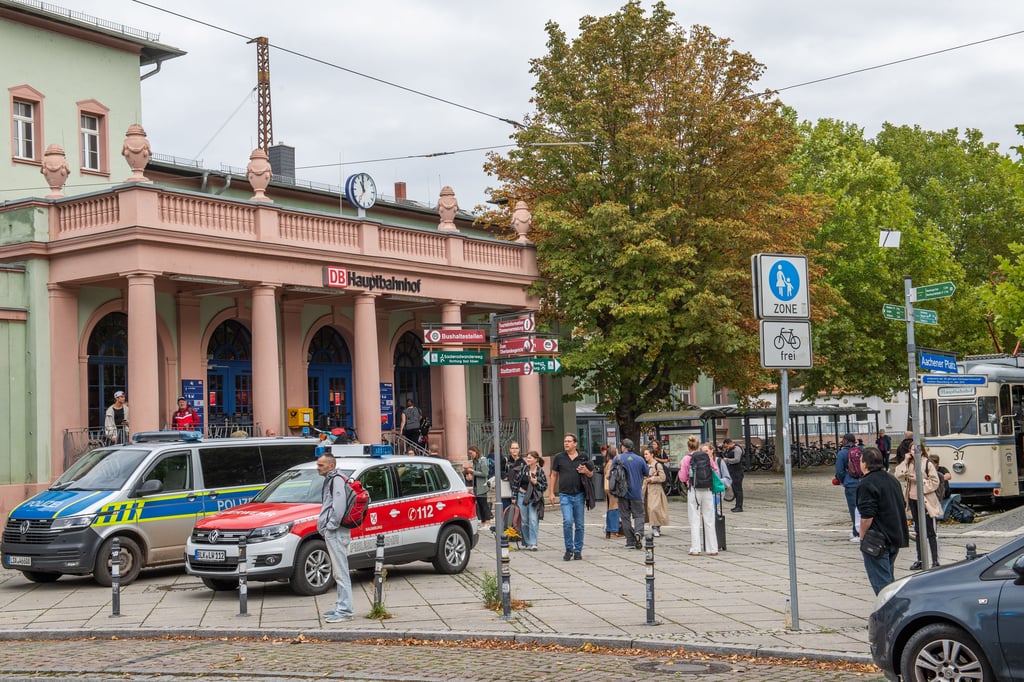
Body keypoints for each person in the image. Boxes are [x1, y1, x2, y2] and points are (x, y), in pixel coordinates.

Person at [856, 446, 909, 594]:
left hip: (876, 538)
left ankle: (891, 613)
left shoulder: (866, 483)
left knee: (882, 585)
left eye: (861, 461)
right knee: (888, 579)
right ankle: (894, 611)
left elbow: (867, 514)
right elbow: (902, 504)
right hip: (894, 536)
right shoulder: (892, 480)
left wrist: (862, 535)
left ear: (865, 464)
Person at [316, 452, 354, 622]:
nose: (318, 468)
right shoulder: (333, 479)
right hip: (334, 531)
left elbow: (338, 506)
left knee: (341, 571)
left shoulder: (336, 480)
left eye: (321, 465)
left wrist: (329, 527)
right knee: (338, 571)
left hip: (337, 532)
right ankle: (341, 605)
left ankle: (345, 610)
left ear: (331, 466)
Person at [894, 441, 941, 570]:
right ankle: (920, 559)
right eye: (912, 450)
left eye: (916, 449)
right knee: (918, 531)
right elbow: (898, 474)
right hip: (912, 500)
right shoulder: (909, 463)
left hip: (925, 501)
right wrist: (905, 461)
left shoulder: (927, 463)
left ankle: (935, 560)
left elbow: (935, 482)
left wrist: (920, 480)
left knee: (930, 531)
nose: (914, 452)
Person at [548, 433, 594, 561]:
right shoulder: (559, 457)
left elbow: (591, 474)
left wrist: (585, 471)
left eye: (569, 441)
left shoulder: (583, 457)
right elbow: (553, 475)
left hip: (579, 494)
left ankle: (578, 550)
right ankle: (569, 549)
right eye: (565, 441)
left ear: (575, 443)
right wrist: (551, 492)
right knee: (567, 521)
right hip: (565, 495)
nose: (566, 443)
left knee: (579, 524)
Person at [679, 437, 721, 556]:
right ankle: (713, 548)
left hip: (694, 490)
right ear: (698, 446)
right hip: (707, 490)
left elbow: (682, 477)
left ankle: (696, 548)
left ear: (688, 447)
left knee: (694, 519)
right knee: (709, 519)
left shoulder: (687, 458)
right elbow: (716, 471)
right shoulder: (706, 457)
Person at [614, 439, 649, 550]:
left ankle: (630, 541)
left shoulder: (618, 458)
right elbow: (646, 473)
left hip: (622, 493)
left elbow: (611, 475)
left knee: (625, 517)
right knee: (639, 515)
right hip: (636, 493)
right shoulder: (640, 459)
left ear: (624, 447)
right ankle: (638, 533)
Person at [512, 451, 546, 550]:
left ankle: (533, 543)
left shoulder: (540, 471)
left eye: (530, 458)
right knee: (524, 521)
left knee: (533, 520)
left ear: (536, 459)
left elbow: (544, 486)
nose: (528, 459)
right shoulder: (523, 469)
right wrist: (514, 497)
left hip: (534, 498)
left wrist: (535, 483)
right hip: (522, 496)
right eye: (527, 457)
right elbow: (515, 483)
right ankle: (527, 542)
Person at [835, 433, 861, 542]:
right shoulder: (861, 450)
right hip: (863, 482)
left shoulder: (842, 453)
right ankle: (864, 530)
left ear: (845, 441)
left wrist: (842, 480)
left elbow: (839, 471)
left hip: (851, 484)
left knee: (854, 509)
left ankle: (857, 533)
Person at [643, 446, 669, 537]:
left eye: (646, 454)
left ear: (652, 455)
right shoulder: (645, 465)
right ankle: (654, 526)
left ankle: (655, 527)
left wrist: (653, 479)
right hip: (646, 490)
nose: (645, 456)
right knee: (648, 509)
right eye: (644, 454)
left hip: (656, 490)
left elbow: (663, 477)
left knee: (654, 509)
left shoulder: (657, 464)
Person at [464, 445, 491, 527]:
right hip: (476, 486)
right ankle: (483, 521)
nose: (471, 455)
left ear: (475, 451)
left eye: (471, 453)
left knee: (483, 504)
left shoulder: (483, 460)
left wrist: (473, 471)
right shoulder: (475, 461)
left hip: (482, 487)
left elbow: (484, 473)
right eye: (469, 453)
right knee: (479, 504)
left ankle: (487, 521)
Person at [601, 445, 623, 539]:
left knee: (610, 508)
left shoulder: (607, 462)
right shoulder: (612, 463)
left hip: (609, 488)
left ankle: (609, 531)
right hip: (613, 488)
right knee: (614, 508)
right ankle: (614, 531)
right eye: (617, 452)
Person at [721, 438, 745, 512]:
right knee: (735, 489)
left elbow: (737, 459)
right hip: (732, 471)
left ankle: (739, 506)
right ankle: (737, 505)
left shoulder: (737, 449)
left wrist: (727, 460)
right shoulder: (730, 449)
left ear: (729, 443)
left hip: (737, 472)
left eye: (726, 446)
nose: (726, 448)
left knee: (738, 489)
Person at [501, 441, 523, 511]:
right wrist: (505, 476)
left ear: (519, 449)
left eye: (516, 448)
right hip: (506, 488)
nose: (515, 450)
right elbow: (499, 471)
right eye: (513, 448)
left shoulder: (522, 462)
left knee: (518, 511)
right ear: (510, 449)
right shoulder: (505, 460)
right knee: (506, 511)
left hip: (518, 489)